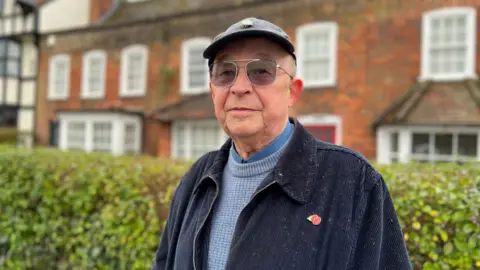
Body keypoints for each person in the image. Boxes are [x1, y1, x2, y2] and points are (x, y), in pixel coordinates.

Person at [151, 17, 412, 270]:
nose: (239, 87)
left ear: (292, 91)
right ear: (213, 91)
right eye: (225, 72)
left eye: (261, 71)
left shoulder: (354, 182)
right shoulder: (197, 179)